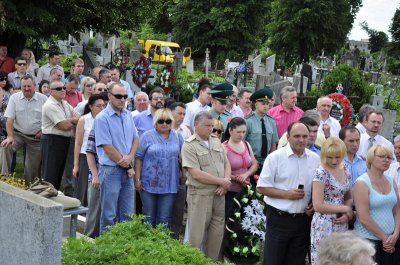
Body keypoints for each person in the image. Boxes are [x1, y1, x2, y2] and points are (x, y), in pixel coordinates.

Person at [257, 122, 320, 265]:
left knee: (296, 261)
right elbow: (261, 187)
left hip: (303, 220)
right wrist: (286, 194)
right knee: (273, 261)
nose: (301, 139)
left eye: (305, 136)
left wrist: (314, 203)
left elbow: (317, 186)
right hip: (279, 218)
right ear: (288, 137)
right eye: (297, 136)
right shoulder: (275, 158)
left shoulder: (315, 159)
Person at [181, 111, 231, 261]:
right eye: (207, 126)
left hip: (219, 194)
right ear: (196, 125)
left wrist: (226, 182)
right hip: (200, 195)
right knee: (196, 237)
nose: (210, 129)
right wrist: (221, 181)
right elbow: (196, 174)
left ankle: (212, 262)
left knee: (216, 235)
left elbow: (226, 163)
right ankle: (193, 262)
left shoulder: (216, 141)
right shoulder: (189, 145)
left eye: (212, 126)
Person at [94, 82, 139, 233]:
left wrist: (131, 156)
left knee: (127, 215)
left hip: (126, 170)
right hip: (111, 171)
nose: (123, 99)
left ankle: (123, 250)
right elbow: (107, 148)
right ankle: (106, 252)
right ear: (109, 96)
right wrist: (128, 165)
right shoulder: (102, 118)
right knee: (109, 215)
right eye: (119, 96)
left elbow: (135, 139)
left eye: (125, 96)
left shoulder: (128, 115)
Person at [134, 108, 183, 229]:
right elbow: (138, 158)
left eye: (168, 121)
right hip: (148, 184)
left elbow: (183, 158)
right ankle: (147, 244)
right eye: (161, 121)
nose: (164, 124)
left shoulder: (178, 137)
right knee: (148, 216)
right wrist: (137, 179)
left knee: (165, 217)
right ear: (155, 122)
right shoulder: (146, 136)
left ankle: (161, 245)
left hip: (170, 184)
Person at [353, 144, 400, 264]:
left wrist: (396, 234)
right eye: (381, 156)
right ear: (371, 159)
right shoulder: (361, 182)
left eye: (389, 157)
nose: (386, 160)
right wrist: (386, 238)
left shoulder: (391, 180)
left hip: (391, 241)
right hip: (368, 242)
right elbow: (364, 217)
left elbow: (397, 210)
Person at [310, 137, 353, 265]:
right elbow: (317, 205)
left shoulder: (346, 169)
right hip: (323, 224)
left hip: (341, 222)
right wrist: (344, 209)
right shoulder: (321, 172)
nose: (334, 161)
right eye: (330, 157)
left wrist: (346, 213)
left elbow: (348, 197)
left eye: (337, 157)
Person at [0, 76, 48, 185]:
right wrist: (10, 137)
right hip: (17, 134)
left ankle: (29, 187)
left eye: (29, 86)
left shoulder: (43, 99)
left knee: (31, 169)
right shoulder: (14, 98)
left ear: (35, 86)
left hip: (35, 138)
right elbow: (9, 119)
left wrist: (42, 130)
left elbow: (48, 118)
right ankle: (4, 180)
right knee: (5, 146)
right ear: (20, 87)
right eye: (24, 86)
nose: (26, 88)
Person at [41, 80, 80, 190]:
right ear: (51, 91)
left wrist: (68, 120)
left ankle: (54, 197)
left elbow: (79, 118)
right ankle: (47, 200)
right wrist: (71, 121)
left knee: (58, 173)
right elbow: (64, 126)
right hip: (52, 141)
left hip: (63, 140)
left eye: (63, 87)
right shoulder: (50, 105)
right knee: (51, 175)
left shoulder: (64, 103)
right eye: (59, 89)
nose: (62, 90)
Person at [73, 94, 105, 206]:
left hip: (101, 156)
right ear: (91, 106)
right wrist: (76, 164)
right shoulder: (84, 119)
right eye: (99, 106)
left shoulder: (105, 119)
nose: (102, 108)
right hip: (85, 156)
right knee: (84, 185)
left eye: (103, 106)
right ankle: (81, 211)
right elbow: (78, 143)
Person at [223, 117, 258, 214]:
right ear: (230, 130)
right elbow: (220, 171)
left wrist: (245, 175)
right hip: (230, 192)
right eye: (238, 132)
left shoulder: (246, 144)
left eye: (243, 132)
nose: (241, 135)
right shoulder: (224, 148)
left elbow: (254, 164)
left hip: (246, 190)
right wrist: (236, 178)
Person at [245, 88, 278, 172]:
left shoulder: (271, 121)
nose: (266, 106)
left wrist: (271, 160)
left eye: (267, 104)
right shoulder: (248, 121)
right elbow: (243, 143)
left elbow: (273, 144)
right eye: (263, 104)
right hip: (251, 161)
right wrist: (250, 160)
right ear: (256, 105)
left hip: (267, 162)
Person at [0, 71, 11, 140]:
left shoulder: (8, 90)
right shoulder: (1, 91)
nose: (4, 81)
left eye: (5, 79)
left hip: (10, 115)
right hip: (2, 118)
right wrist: (0, 93)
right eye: (1, 79)